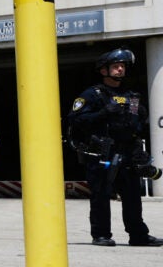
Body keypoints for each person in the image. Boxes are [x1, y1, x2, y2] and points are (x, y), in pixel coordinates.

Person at [65, 47, 163, 247]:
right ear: (104, 70)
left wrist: (139, 152)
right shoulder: (93, 94)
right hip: (102, 152)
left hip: (128, 152)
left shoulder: (132, 96)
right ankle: (101, 235)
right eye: (116, 66)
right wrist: (102, 114)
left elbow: (136, 122)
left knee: (133, 197)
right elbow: (75, 120)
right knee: (101, 195)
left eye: (122, 67)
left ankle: (138, 235)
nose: (120, 70)